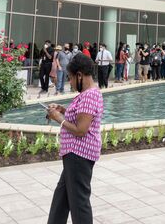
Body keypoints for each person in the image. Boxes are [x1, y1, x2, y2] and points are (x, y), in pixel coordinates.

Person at [46, 54, 104, 224]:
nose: (69, 83)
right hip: (75, 155)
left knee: (79, 204)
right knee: (61, 200)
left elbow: (81, 130)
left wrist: (59, 118)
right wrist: (62, 110)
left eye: (70, 78)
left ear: (80, 75)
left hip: (79, 156)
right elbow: (79, 116)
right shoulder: (88, 94)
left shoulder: (89, 95)